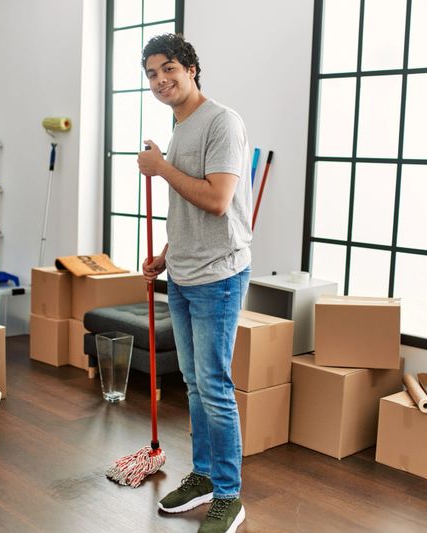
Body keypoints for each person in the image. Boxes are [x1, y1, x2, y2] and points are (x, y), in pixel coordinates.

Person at [137, 33, 252, 533]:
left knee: (215, 386)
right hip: (183, 273)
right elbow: (189, 208)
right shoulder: (180, 126)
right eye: (152, 75)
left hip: (219, 276)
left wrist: (160, 168)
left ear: (191, 69)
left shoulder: (222, 122)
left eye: (169, 70)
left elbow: (218, 200)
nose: (161, 81)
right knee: (195, 384)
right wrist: (165, 255)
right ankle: (203, 475)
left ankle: (229, 494)